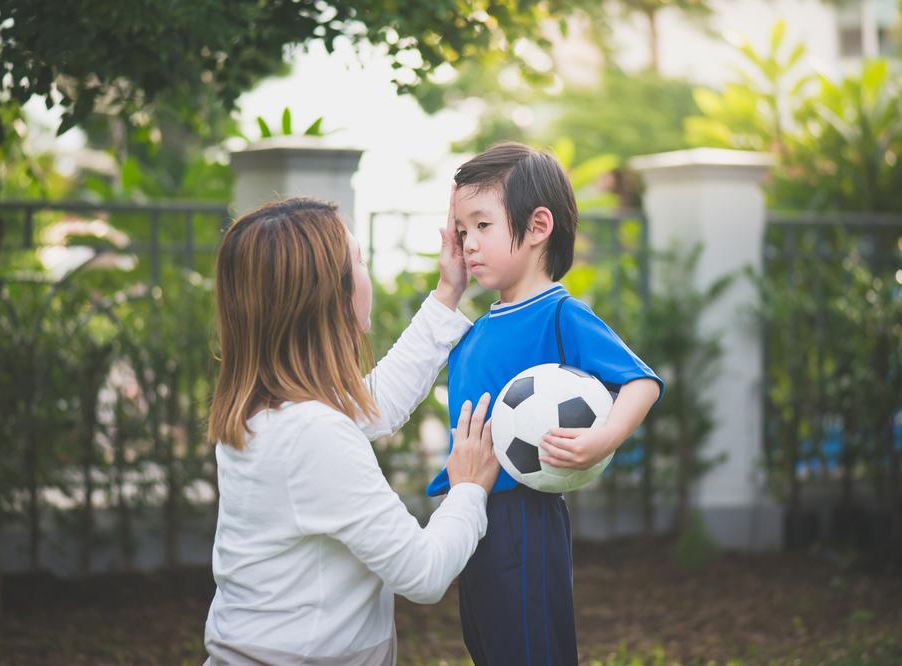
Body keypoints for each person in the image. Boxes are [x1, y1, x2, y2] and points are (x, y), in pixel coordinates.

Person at [203, 196, 500, 665]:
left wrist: (448, 292)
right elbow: (423, 573)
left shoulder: (269, 409)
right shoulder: (312, 433)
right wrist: (467, 489)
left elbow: (374, 403)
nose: (366, 274)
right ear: (330, 296)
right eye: (359, 261)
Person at [425, 143, 665, 665]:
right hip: (472, 516)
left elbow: (641, 382)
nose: (468, 243)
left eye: (482, 226)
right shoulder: (474, 330)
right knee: (487, 647)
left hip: (524, 517)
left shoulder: (561, 315)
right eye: (461, 231)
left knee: (531, 652)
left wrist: (602, 438)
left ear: (538, 226)